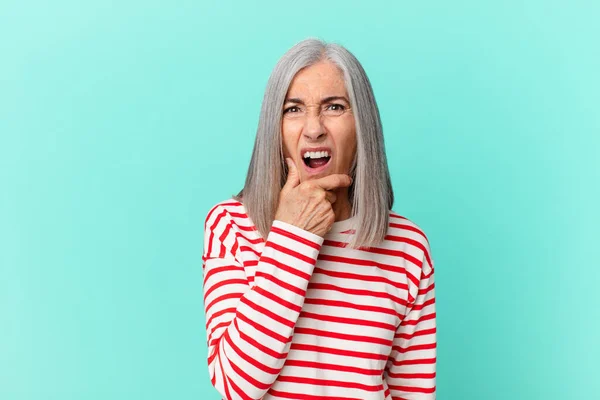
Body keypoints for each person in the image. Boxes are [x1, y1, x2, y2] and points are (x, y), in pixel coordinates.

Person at [202, 37, 436, 399]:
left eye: (334, 107)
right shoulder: (230, 226)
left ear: (363, 127)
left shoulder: (407, 247)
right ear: (274, 130)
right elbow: (238, 385)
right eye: (293, 109)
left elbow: (413, 392)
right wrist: (294, 236)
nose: (313, 129)